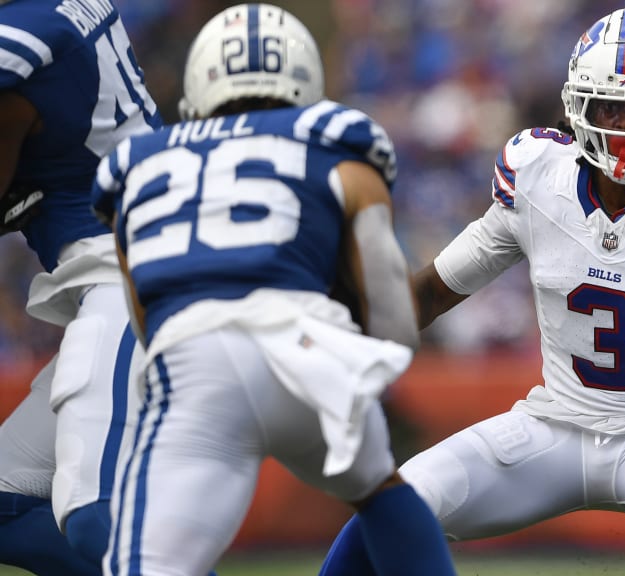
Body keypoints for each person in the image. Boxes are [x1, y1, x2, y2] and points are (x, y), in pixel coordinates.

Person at [320, 8, 625, 576]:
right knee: (391, 503)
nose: (624, 128)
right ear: (576, 104)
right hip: (552, 427)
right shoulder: (538, 178)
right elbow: (434, 292)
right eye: (609, 106)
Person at [90, 4, 457, 575]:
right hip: (310, 351)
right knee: (379, 488)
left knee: (147, 566)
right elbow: (393, 325)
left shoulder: (136, 166)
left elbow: (145, 320)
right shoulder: (336, 141)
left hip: (195, 361)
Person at [0, 0, 162, 573]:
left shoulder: (23, 39)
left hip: (136, 278)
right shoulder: (63, 12)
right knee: (6, 503)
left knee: (95, 512)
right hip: (144, 266)